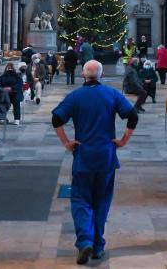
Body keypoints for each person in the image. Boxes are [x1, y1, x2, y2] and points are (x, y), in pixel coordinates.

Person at [53, 60, 138, 265]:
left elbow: (56, 119)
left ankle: (84, 242)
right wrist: (124, 140)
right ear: (100, 76)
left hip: (84, 155)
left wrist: (66, 142)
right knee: (101, 201)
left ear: (83, 75)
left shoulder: (75, 96)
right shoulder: (112, 94)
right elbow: (132, 116)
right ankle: (98, 246)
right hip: (106, 156)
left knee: (81, 200)